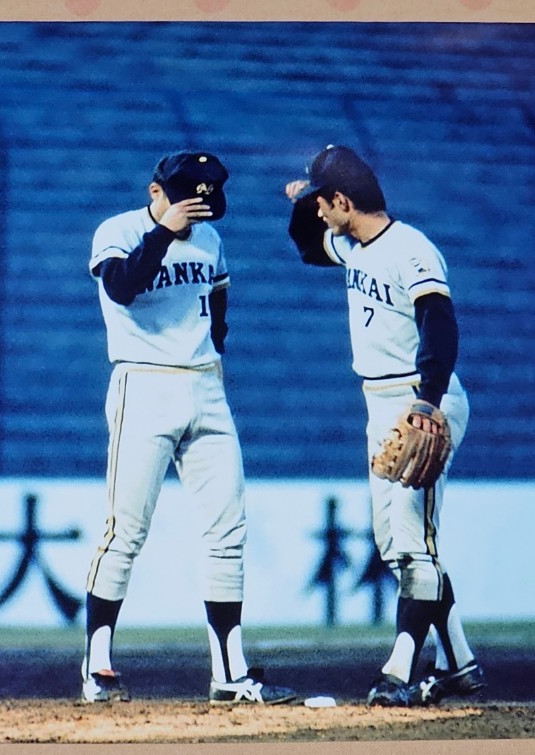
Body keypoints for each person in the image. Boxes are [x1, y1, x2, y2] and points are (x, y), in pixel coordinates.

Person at [81, 151, 295, 705]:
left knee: (228, 531)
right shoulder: (120, 229)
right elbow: (121, 288)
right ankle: (97, 665)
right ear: (157, 192)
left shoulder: (209, 239)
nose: (196, 204)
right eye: (185, 195)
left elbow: (219, 308)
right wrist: (159, 233)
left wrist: (214, 354)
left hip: (205, 384)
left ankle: (229, 672)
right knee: (124, 530)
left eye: (204, 195)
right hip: (143, 381)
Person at [284, 145, 486, 707]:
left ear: (344, 200)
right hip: (380, 405)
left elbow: (440, 326)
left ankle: (398, 671)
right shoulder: (352, 247)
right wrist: (305, 199)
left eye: (325, 200)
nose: (320, 211)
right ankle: (460, 664)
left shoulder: (410, 248)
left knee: (414, 542)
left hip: (421, 405)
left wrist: (428, 402)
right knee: (396, 543)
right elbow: (304, 246)